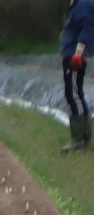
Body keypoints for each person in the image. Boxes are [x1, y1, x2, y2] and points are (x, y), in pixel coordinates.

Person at [64, 0, 94, 152]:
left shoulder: (83, 4)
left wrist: (78, 52)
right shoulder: (75, 4)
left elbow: (87, 27)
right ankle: (85, 133)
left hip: (75, 55)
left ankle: (79, 138)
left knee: (73, 93)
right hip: (70, 53)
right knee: (74, 92)